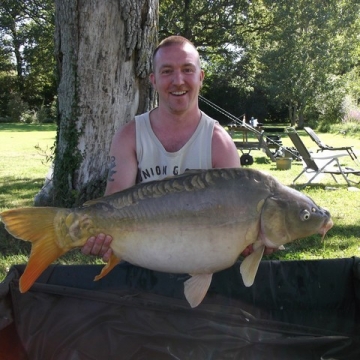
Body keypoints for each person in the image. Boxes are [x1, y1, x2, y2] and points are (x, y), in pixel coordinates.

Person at [81, 35, 243, 261]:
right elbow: (114, 206)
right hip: (142, 264)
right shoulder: (129, 136)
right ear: (153, 80)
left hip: (204, 262)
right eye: (167, 71)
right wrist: (100, 237)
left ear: (201, 77)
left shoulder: (219, 143)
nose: (178, 81)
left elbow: (235, 217)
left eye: (187, 69)